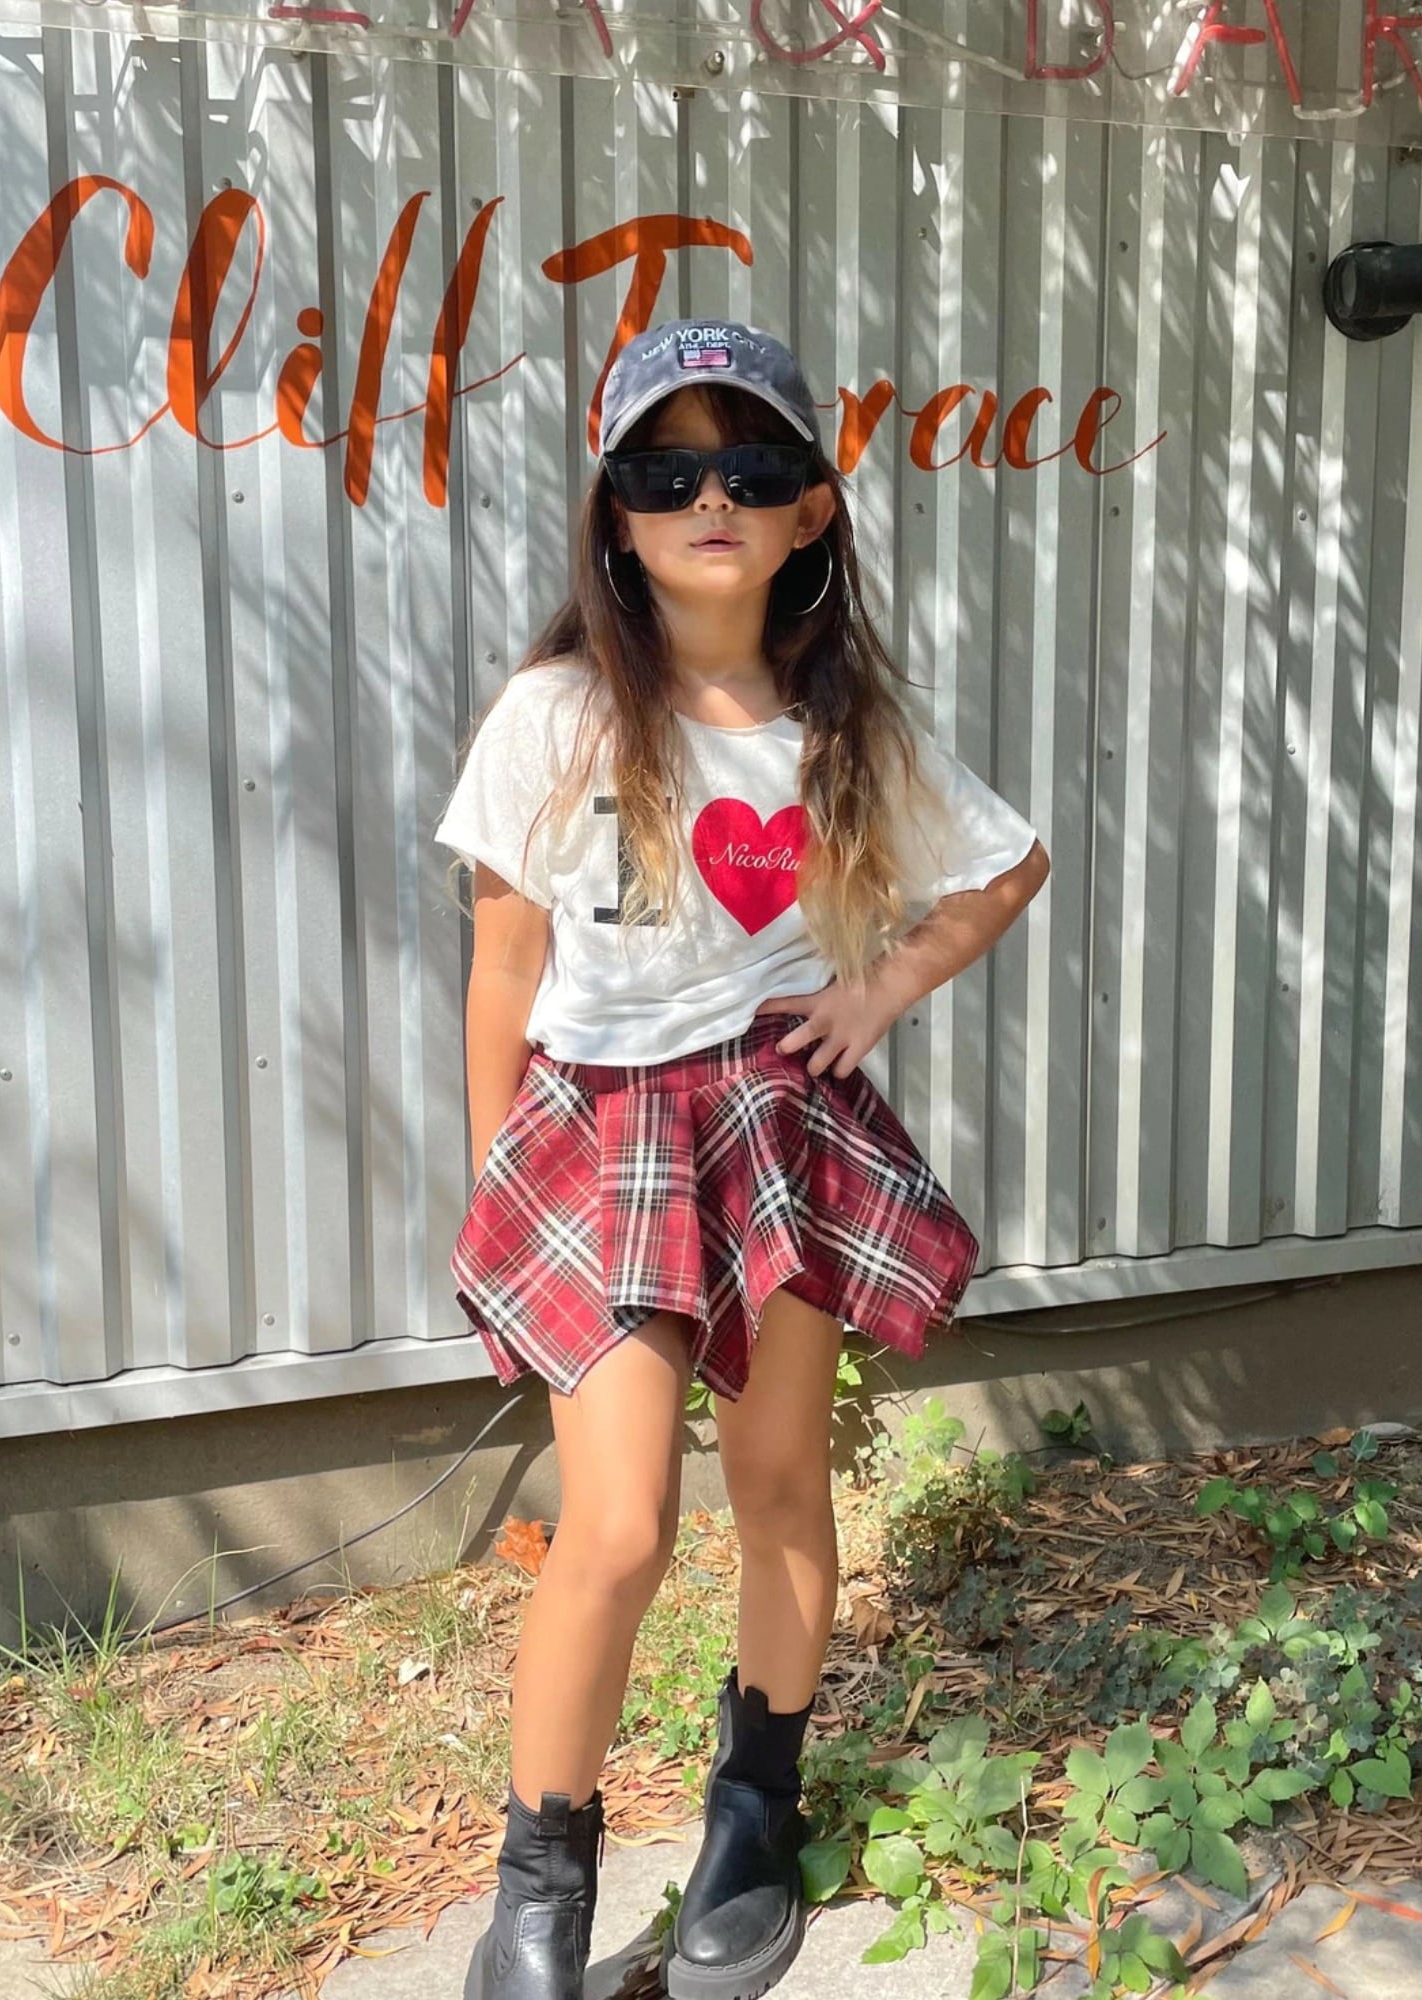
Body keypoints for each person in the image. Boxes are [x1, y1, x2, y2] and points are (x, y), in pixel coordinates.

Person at [436, 318, 1050, 2000]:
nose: (711, 499)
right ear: (616, 515)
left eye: (753, 467)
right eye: (666, 471)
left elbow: (1005, 865)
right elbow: (504, 966)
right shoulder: (556, 714)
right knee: (620, 1525)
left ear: (810, 514)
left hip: (774, 1121)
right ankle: (540, 1890)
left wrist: (881, 988)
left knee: (779, 1486)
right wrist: (500, 1187)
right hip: (604, 1137)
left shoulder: (843, 728)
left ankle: (753, 1817)